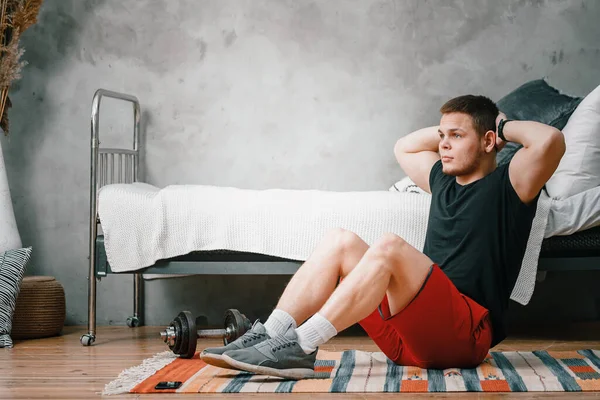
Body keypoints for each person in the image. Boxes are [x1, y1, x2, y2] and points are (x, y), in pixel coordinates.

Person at [200, 95, 566, 380]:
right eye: (442, 137)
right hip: (409, 340)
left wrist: (500, 128)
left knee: (389, 246)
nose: (444, 145)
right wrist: (452, 127)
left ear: (488, 142)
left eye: (456, 136)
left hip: (465, 336)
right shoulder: (442, 182)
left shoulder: (512, 184)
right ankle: (271, 334)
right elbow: (404, 145)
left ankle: (301, 344)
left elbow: (550, 139)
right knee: (340, 240)